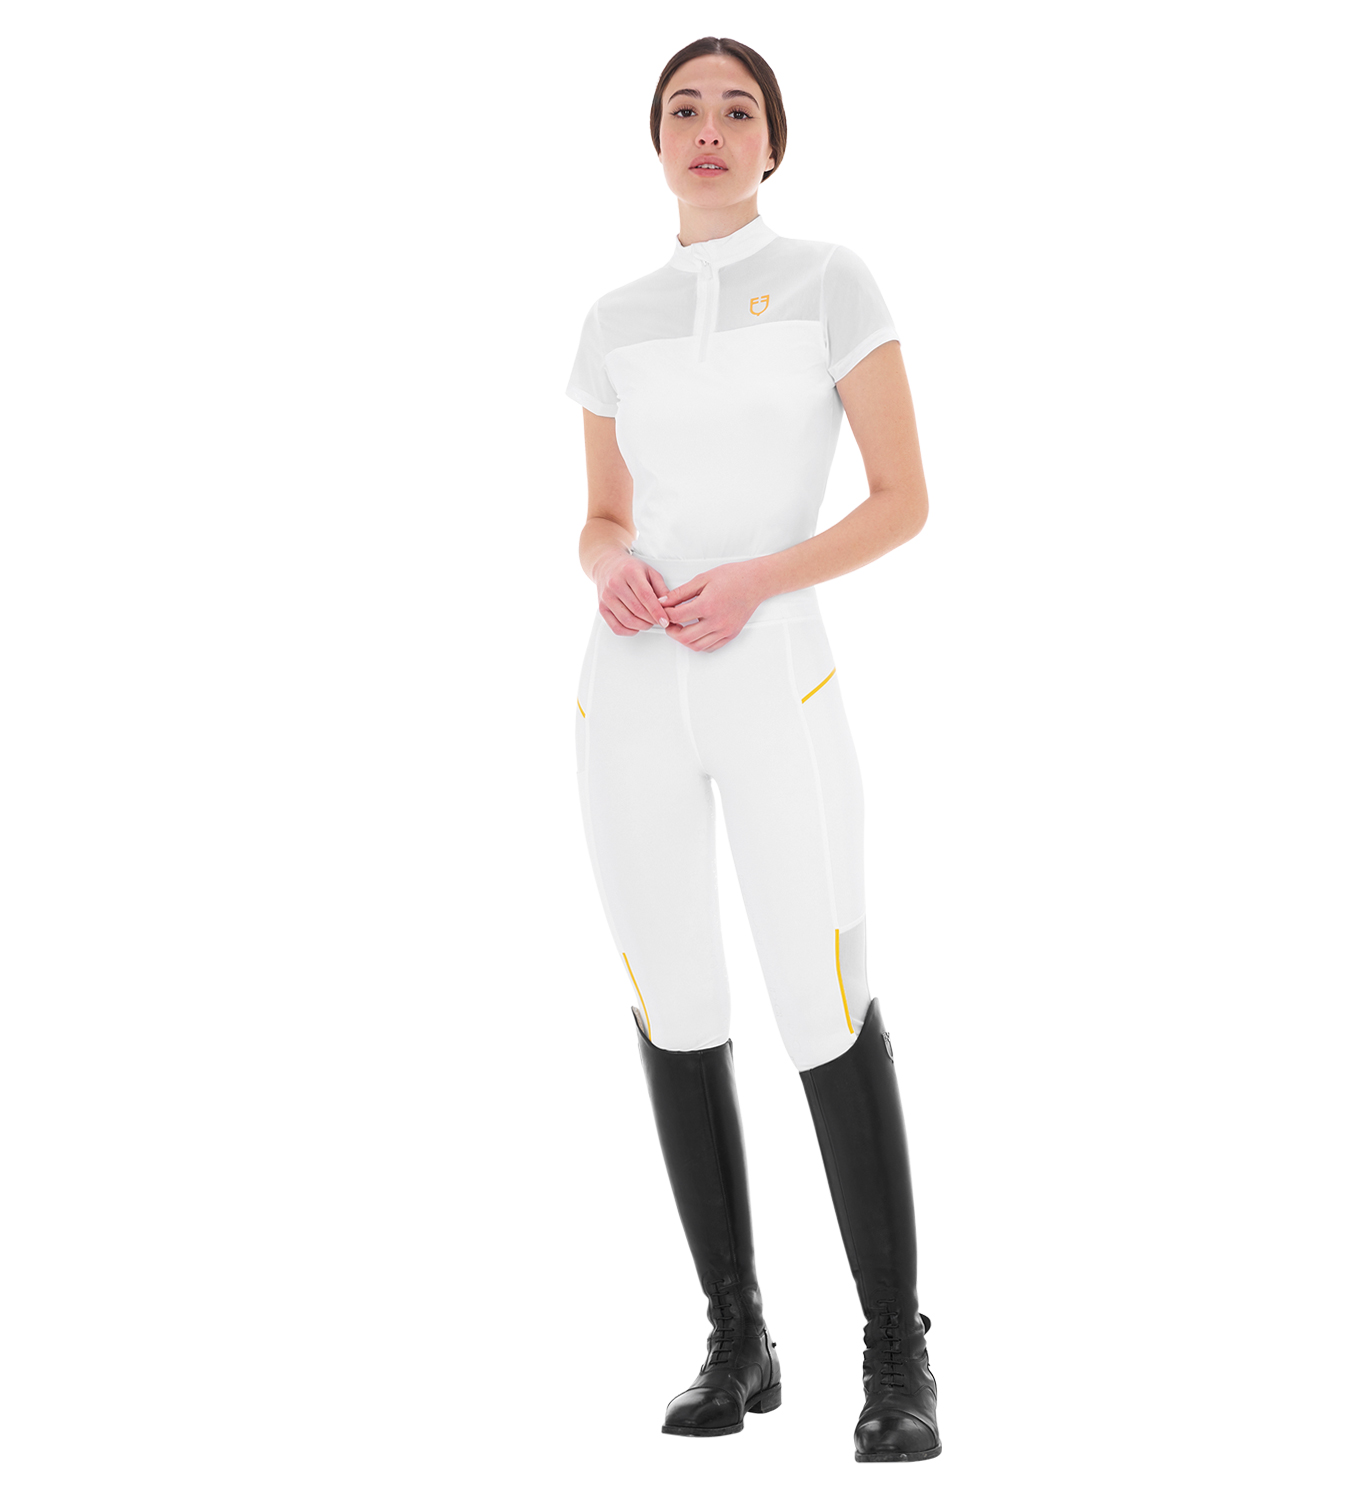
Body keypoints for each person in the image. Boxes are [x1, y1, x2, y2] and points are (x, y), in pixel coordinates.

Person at [564, 36, 940, 1464]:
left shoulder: (834, 283)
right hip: (629, 692)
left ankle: (896, 1354)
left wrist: (758, 582)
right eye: (684, 108)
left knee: (822, 995)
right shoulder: (615, 319)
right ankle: (736, 1338)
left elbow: (903, 498)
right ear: (655, 139)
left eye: (737, 109)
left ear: (773, 141)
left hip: (772, 672)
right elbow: (600, 516)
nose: (708, 128)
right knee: (675, 1003)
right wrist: (607, 564)